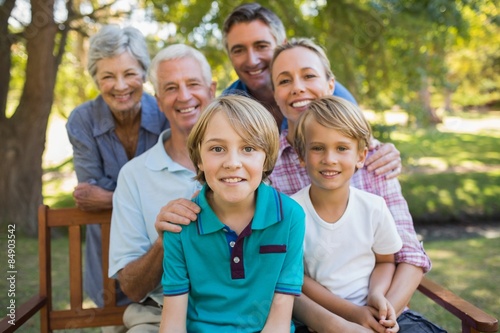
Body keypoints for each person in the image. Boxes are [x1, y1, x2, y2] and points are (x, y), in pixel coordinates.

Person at [271, 38, 445, 333]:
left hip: (385, 313)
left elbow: (407, 253)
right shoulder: (265, 167)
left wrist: (381, 316)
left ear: (330, 84)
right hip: (314, 318)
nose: (298, 87)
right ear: (274, 94)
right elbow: (282, 272)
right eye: (284, 80)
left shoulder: (375, 157)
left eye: (309, 75)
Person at [159, 95, 305, 332]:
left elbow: (280, 316)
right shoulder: (181, 223)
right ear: (199, 157)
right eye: (217, 149)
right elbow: (172, 324)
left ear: (267, 157)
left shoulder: (290, 216)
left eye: (248, 148)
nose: (232, 162)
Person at [65, 24, 169, 331]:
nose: (120, 86)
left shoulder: (165, 113)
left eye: (129, 73)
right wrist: (147, 195)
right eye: (108, 76)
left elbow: (174, 188)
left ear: (144, 73)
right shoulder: (82, 120)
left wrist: (110, 197)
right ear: (96, 79)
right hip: (108, 259)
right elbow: (88, 193)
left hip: (163, 262)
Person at [108, 43, 216, 332]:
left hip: (233, 310)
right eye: (170, 88)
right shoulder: (134, 175)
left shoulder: (242, 164)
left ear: (211, 89)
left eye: (193, 83)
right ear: (158, 101)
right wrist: (163, 242)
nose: (184, 96)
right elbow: (132, 288)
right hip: (158, 315)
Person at [292, 95, 403, 333]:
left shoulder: (374, 208)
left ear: (361, 156)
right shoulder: (292, 213)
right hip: (318, 320)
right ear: (301, 156)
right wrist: (353, 314)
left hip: (370, 312)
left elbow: (386, 261)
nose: (329, 159)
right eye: (318, 148)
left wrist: (377, 294)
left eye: (342, 148)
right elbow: (297, 277)